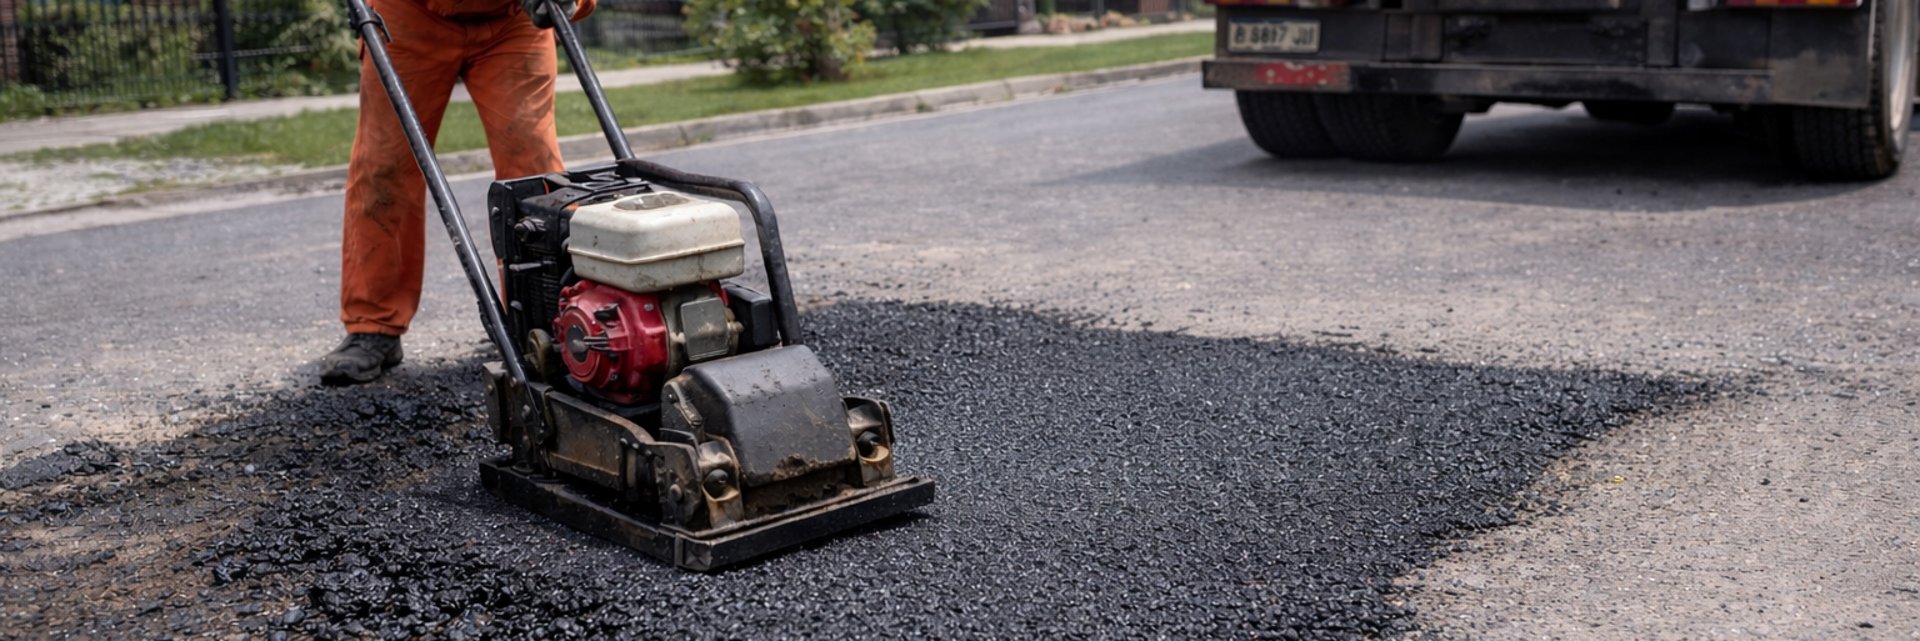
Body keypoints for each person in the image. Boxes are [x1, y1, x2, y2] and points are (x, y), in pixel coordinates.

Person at [318, 0, 594, 386]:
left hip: (513, 20)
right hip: (408, 17)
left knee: (533, 172)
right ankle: (374, 326)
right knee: (385, 169)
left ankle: (541, 322)